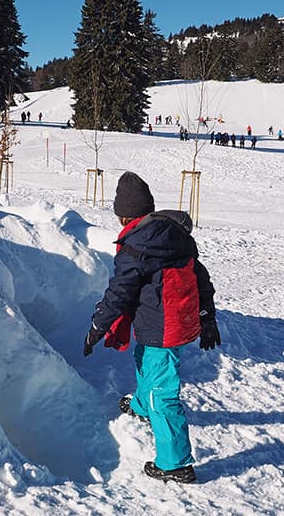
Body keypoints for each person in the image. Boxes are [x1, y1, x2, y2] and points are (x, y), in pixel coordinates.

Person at [83, 172, 219, 484]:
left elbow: (119, 293)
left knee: (163, 392)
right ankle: (142, 405)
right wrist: (207, 317)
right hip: (169, 320)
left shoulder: (136, 247)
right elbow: (201, 278)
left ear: (123, 216)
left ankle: (175, 463)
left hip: (164, 327)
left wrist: (96, 327)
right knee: (145, 359)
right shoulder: (174, 235)